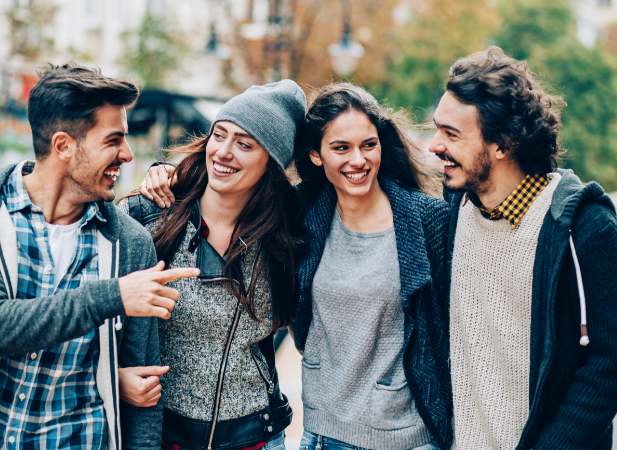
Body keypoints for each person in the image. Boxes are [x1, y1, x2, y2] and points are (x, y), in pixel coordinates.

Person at [142, 83, 454, 450]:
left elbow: (448, 332)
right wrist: (165, 173)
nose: (358, 160)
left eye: (368, 145)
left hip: (404, 436)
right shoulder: (304, 212)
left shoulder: (427, 220)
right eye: (340, 147)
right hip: (320, 433)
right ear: (316, 155)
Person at [0, 63, 199, 450]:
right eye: (114, 140)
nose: (128, 155)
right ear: (64, 146)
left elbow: (146, 390)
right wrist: (112, 296)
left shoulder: (131, 244)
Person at [429, 47, 617, 449]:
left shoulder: (585, 228)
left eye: (451, 134)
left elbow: (614, 362)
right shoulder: (452, 212)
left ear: (502, 144)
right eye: (437, 129)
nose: (434, 145)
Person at [120, 80, 306, 450]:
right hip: (157, 435)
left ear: (271, 159)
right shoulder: (146, 217)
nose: (223, 152)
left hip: (255, 438)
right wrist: (113, 376)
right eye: (219, 135)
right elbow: (92, 317)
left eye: (244, 144)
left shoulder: (289, 237)